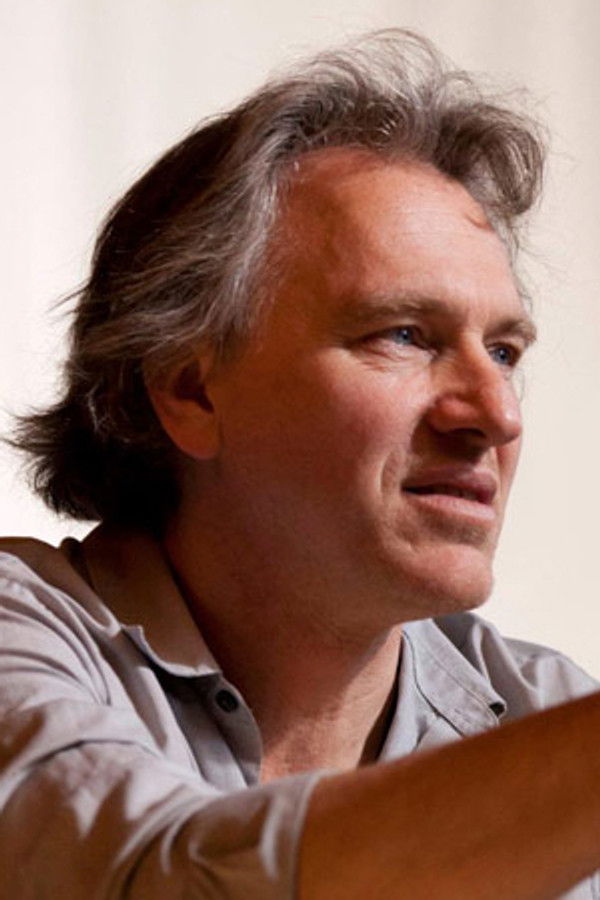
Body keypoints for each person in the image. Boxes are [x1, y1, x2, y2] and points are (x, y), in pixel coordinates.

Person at [1, 29, 599, 899]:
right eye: (405, 335)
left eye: (504, 352)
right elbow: (153, 878)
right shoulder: (25, 642)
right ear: (190, 391)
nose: (496, 415)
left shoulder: (548, 708)